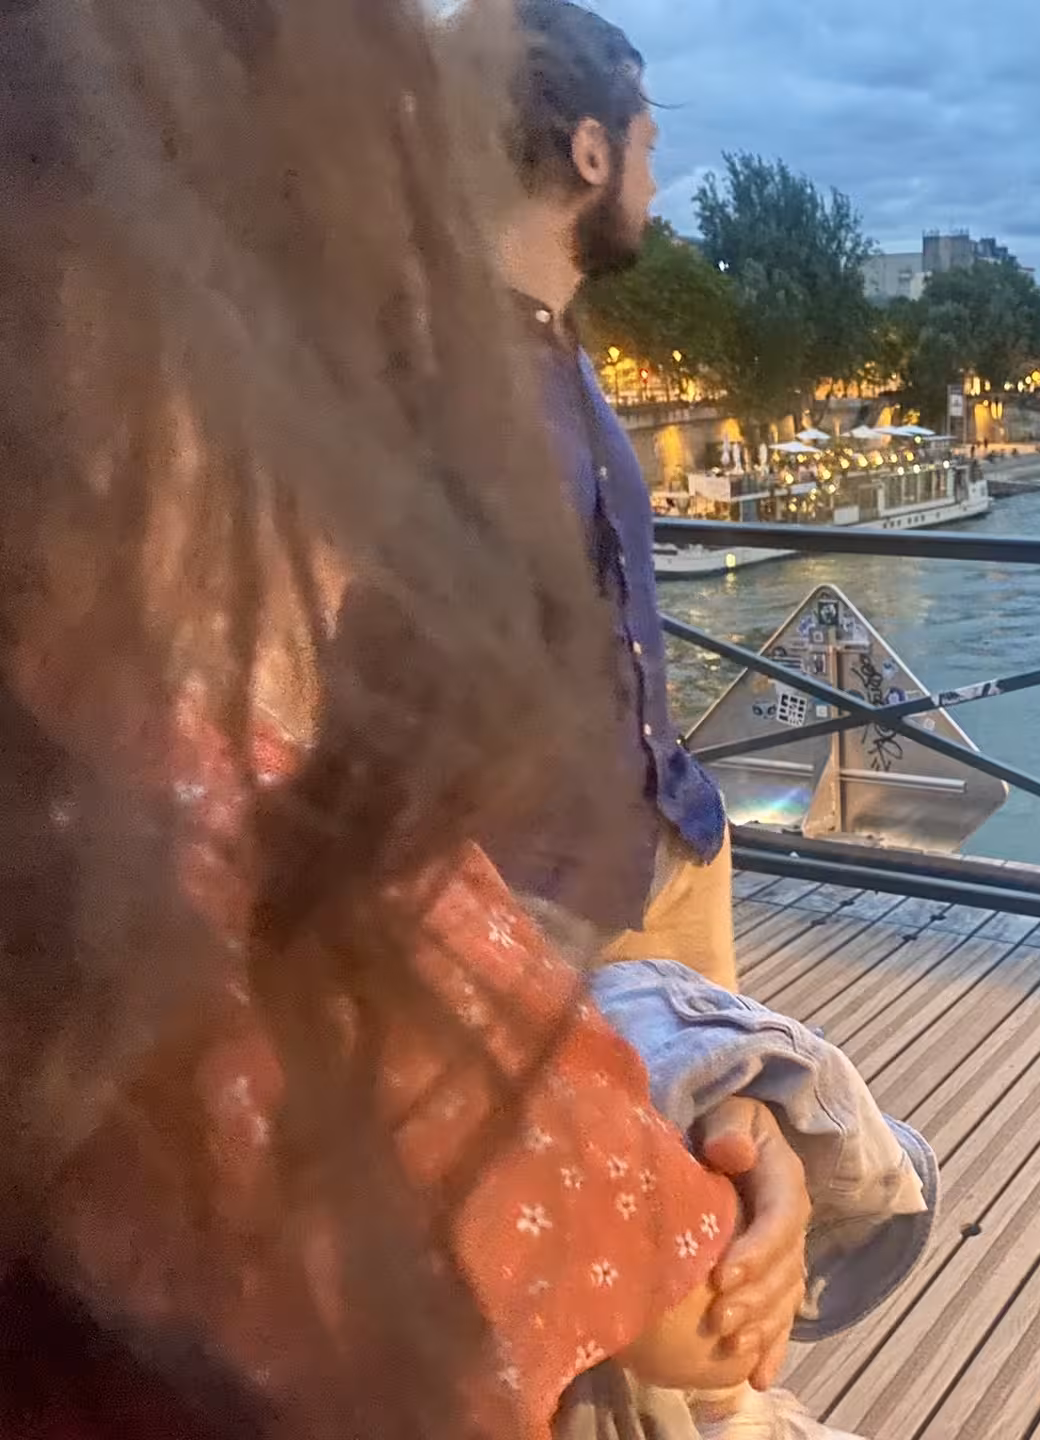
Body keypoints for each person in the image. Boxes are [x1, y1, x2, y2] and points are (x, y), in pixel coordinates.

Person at [0, 2, 803, 1436]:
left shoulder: (564, 369)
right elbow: (696, 1295)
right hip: (504, 894)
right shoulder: (214, 867)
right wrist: (736, 1152)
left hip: (629, 855)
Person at [483, 0, 739, 989]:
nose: (655, 182)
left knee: (721, 1087)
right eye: (648, 148)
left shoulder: (564, 351)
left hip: (669, 845)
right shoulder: (442, 372)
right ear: (592, 151)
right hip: (545, 906)